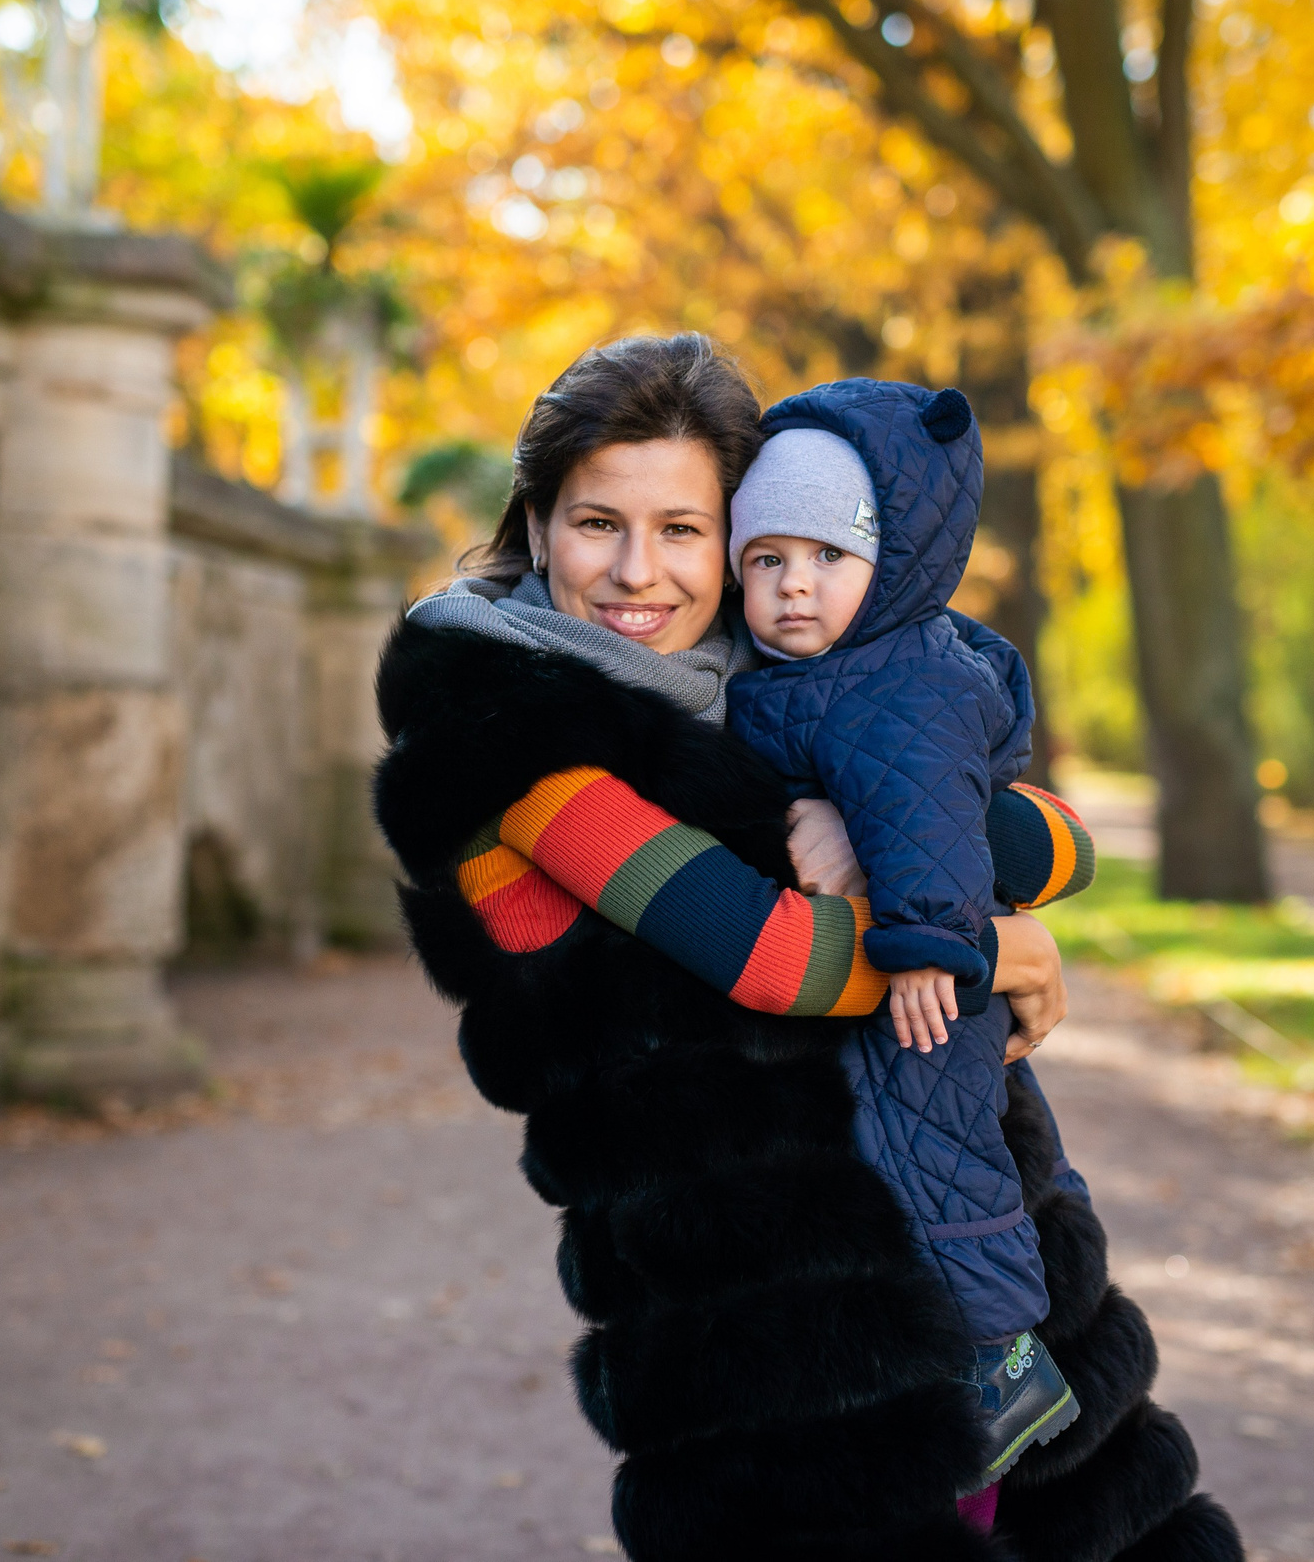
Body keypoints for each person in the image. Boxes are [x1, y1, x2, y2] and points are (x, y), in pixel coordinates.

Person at [372, 333, 1239, 1561]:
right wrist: (989, 948)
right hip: (770, 1318)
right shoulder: (517, 742)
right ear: (535, 520)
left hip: (969, 1235)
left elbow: (1058, 834)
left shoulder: (776, 677)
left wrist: (889, 831)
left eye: (682, 528)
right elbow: (771, 957)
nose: (637, 573)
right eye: (595, 523)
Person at [723, 381, 1099, 1491]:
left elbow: (931, 813)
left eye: (826, 559)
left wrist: (934, 942)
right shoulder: (818, 670)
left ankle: (1002, 1359)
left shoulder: (898, 679)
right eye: (765, 560)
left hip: (925, 977)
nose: (794, 585)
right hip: (913, 966)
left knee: (927, 1143)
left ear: (886, 566)